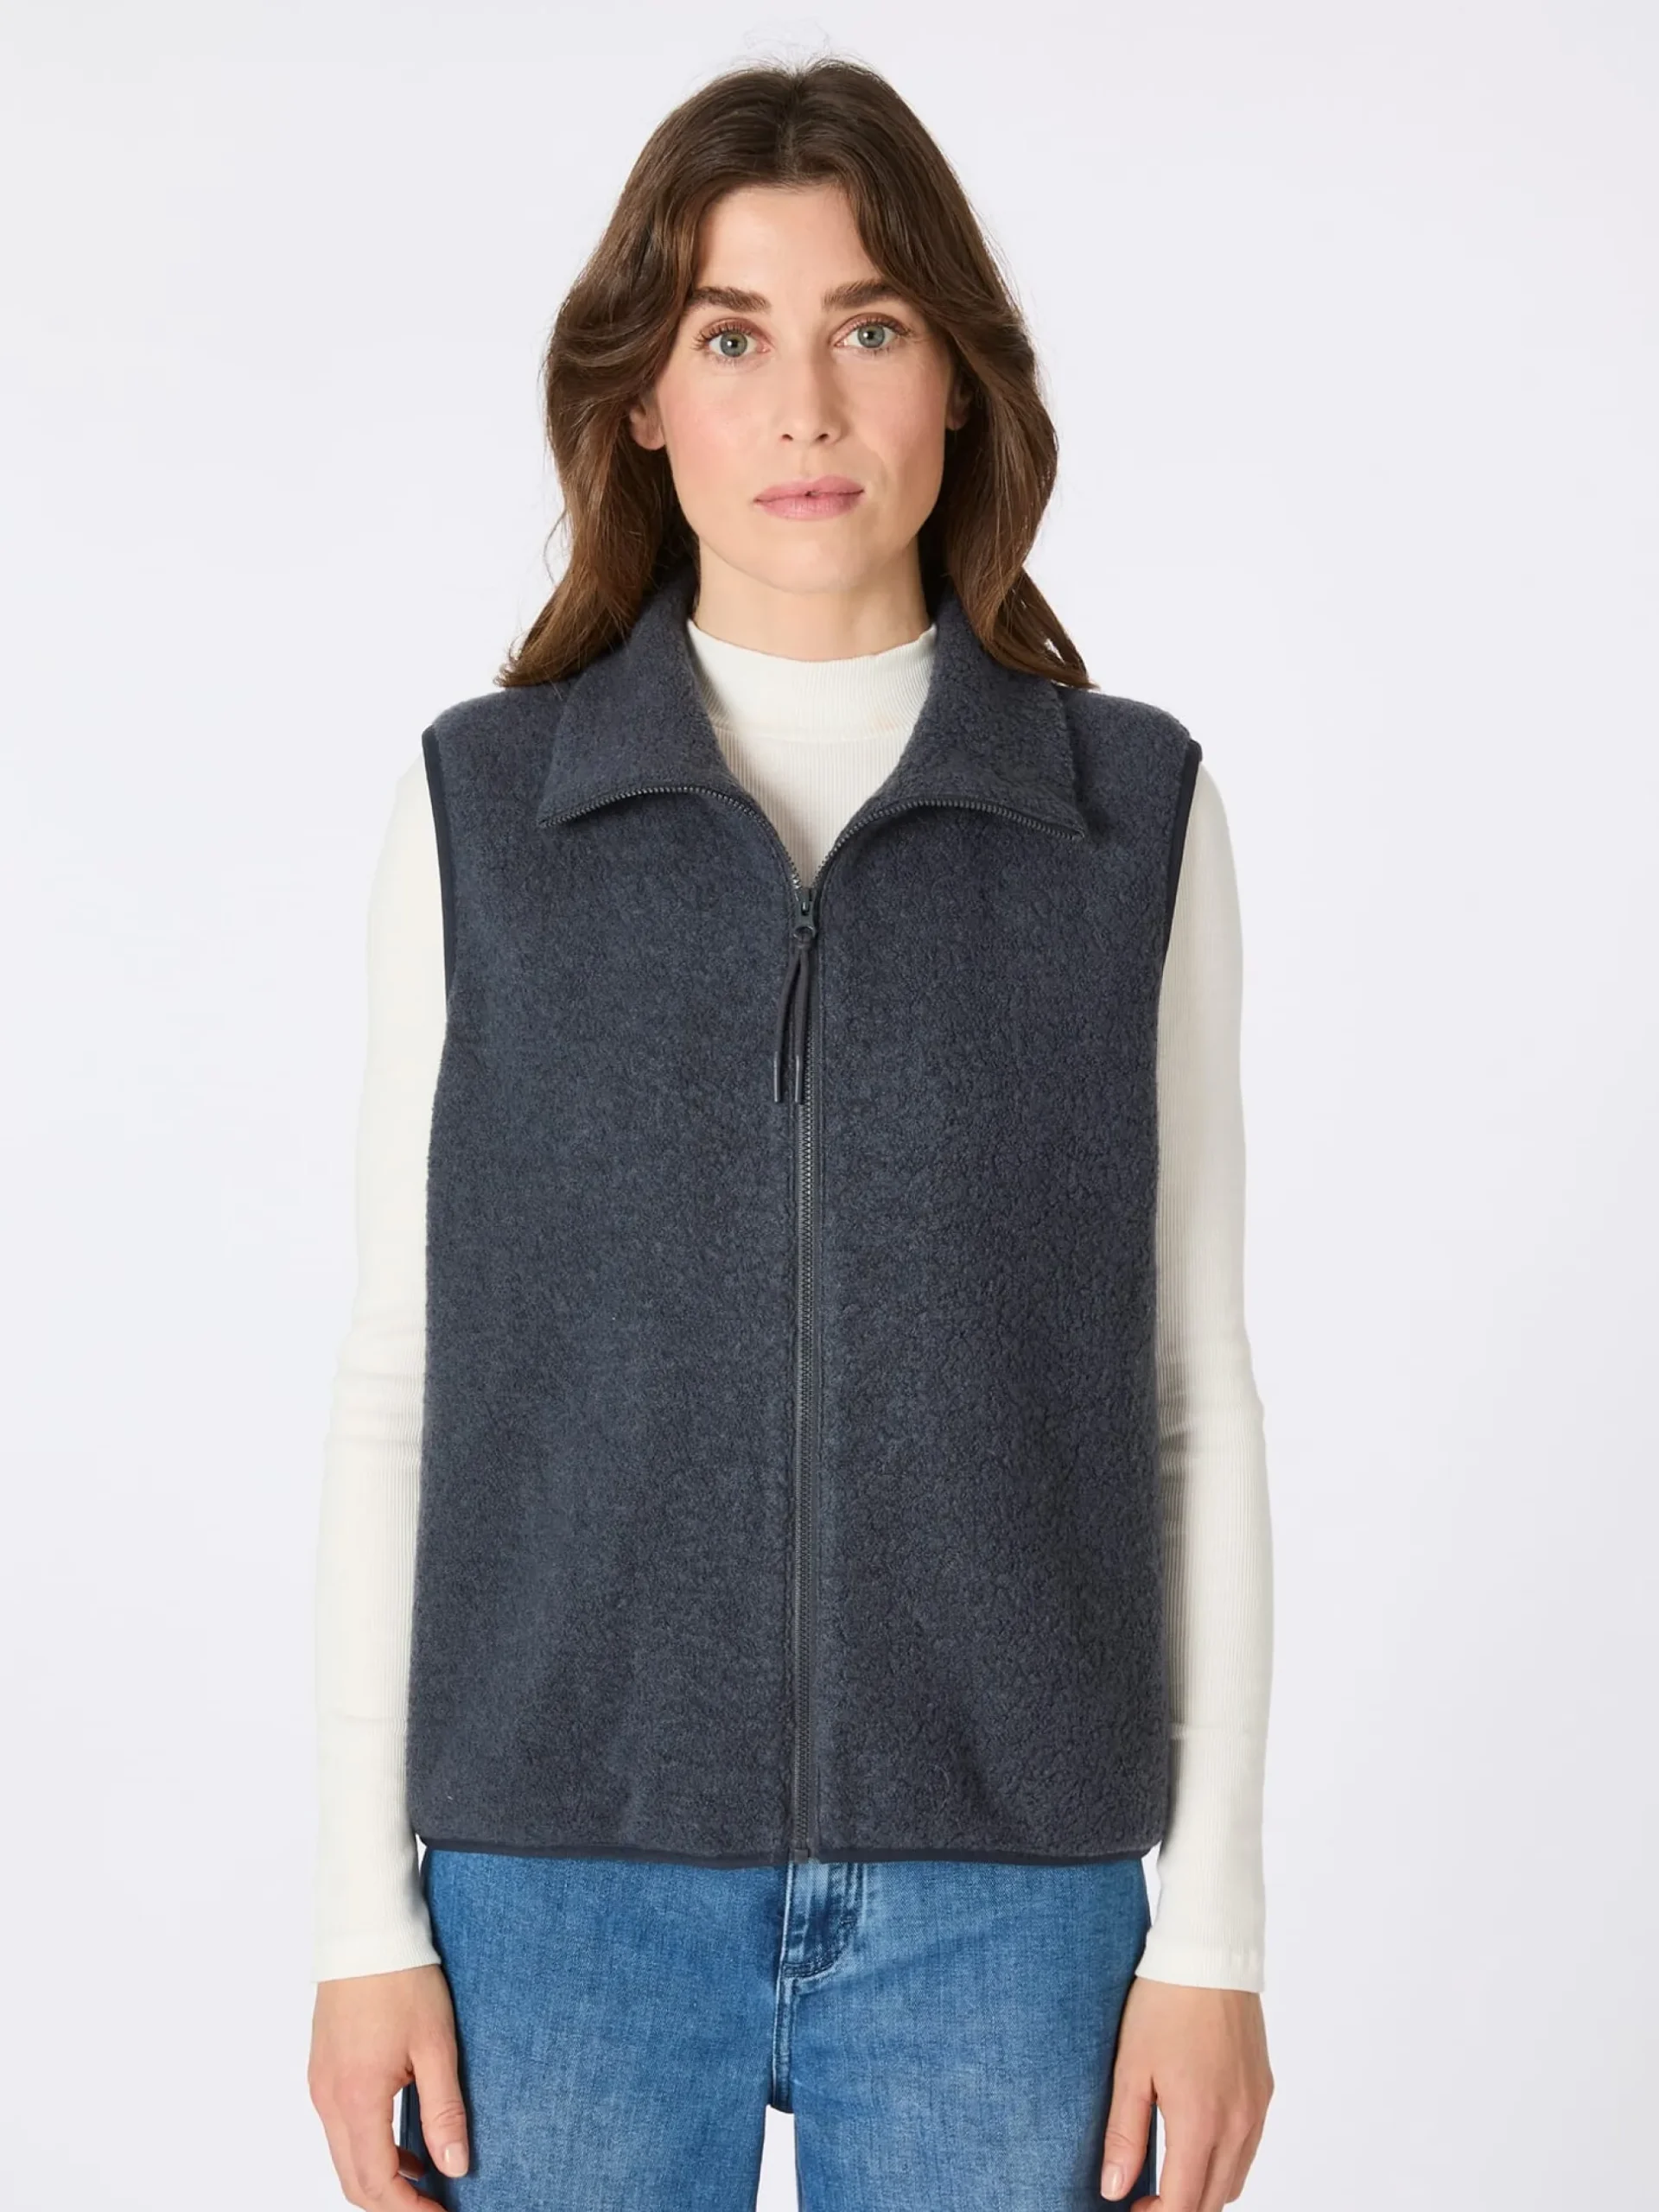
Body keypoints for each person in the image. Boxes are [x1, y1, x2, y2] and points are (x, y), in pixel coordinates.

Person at [307, 54, 1274, 2212]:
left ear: (957, 378)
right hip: (557, 1881)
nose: (808, 408)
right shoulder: (489, 815)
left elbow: (1190, 1390)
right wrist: (366, 1917)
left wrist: (1208, 1933)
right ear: (645, 399)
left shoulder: (1128, 820)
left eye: (871, 327)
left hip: (1007, 1897)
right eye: (732, 337)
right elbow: (401, 1378)